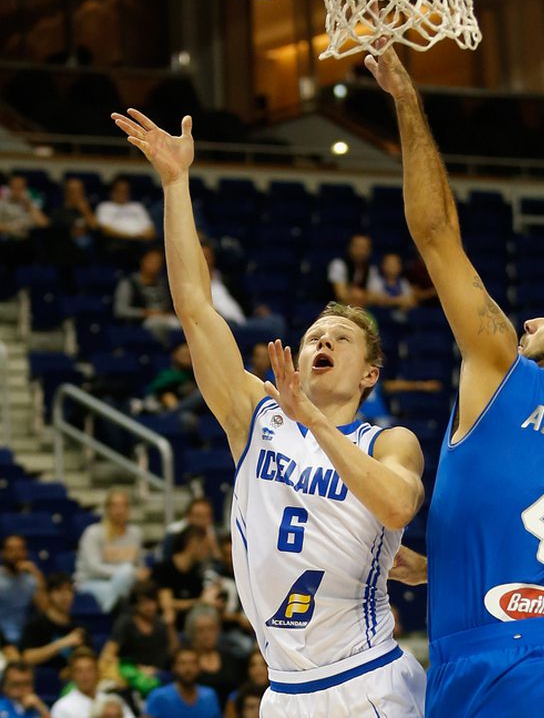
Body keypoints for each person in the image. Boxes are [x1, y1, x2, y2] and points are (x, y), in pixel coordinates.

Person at [111, 106, 427, 716]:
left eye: (340, 337)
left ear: (369, 373)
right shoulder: (257, 416)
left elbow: (396, 505)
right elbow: (196, 308)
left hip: (365, 678)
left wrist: (311, 417)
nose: (322, 342)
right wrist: (176, 186)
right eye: (314, 335)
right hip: (282, 692)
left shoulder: (388, 441)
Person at [365, 40, 544, 717]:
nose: (532, 319)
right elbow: (524, 545)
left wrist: (407, 105)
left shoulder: (504, 373)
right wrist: (441, 566)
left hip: (488, 664)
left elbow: (435, 234)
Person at [75, 488, 147, 613]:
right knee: (126, 575)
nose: (119, 510)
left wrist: (138, 573)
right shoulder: (93, 533)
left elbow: (139, 564)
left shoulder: (135, 533)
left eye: (123, 505)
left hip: (127, 583)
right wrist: (127, 573)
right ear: (107, 509)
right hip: (91, 582)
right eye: (115, 506)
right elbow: (93, 568)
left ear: (128, 509)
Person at [100, 581, 176, 693]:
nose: (149, 606)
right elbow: (107, 655)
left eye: (152, 601)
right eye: (143, 602)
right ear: (135, 604)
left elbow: (174, 653)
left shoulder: (161, 624)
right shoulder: (125, 623)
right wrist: (137, 670)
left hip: (158, 677)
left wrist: (170, 626)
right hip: (131, 678)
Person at [201, 244, 285, 340]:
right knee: (274, 325)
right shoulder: (197, 286)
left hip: (242, 323)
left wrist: (255, 308)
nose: (206, 261)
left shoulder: (225, 278)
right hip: (224, 326)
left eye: (207, 257)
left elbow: (243, 299)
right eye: (202, 257)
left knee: (275, 321)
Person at [20, 572, 91, 671]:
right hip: (42, 682)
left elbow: (89, 661)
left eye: (69, 590)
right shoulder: (35, 625)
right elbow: (27, 658)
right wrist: (63, 643)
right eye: (59, 590)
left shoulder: (81, 628)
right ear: (48, 594)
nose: (65, 596)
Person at [150, 526, 217, 631]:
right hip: (166, 628)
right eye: (205, 546)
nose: (207, 552)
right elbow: (167, 603)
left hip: (192, 628)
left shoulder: (196, 573)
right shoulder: (164, 569)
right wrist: (201, 602)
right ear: (193, 543)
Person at [113, 248, 180, 346]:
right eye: (151, 261)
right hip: (142, 321)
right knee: (158, 324)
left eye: (158, 262)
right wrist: (145, 312)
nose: (155, 265)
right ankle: (166, 350)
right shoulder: (129, 283)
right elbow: (120, 310)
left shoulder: (164, 283)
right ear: (142, 261)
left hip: (165, 317)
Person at [184, 604, 243, 709]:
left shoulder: (230, 657)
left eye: (211, 628)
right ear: (191, 633)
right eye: (201, 630)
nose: (207, 635)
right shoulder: (185, 661)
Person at [50, 647, 133, 718]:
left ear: (97, 672)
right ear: (72, 675)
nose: (85, 676)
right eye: (79, 671)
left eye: (89, 670)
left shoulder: (113, 702)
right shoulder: (62, 707)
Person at [141, 647, 221, 718]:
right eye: (182, 663)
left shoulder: (210, 696)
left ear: (200, 667)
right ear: (173, 667)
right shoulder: (158, 696)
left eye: (193, 663)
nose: (188, 668)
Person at [96, 177, 155, 264]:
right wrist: (131, 236)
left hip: (140, 242)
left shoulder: (137, 206)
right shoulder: (105, 206)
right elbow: (105, 229)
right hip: (116, 241)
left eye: (125, 191)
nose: (122, 193)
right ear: (112, 191)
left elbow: (151, 231)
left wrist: (141, 237)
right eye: (119, 190)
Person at [0, 536, 47, 645]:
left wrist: (37, 575)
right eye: (11, 550)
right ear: (3, 553)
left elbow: (44, 610)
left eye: (20, 549)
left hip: (25, 638)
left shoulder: (31, 580)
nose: (16, 554)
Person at [48, 177, 98, 268]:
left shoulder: (90, 209)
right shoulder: (58, 211)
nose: (77, 194)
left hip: (87, 249)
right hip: (66, 249)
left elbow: (95, 227)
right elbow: (54, 231)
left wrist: (85, 211)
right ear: (66, 193)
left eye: (79, 191)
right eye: (73, 191)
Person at [0, 174, 49, 265]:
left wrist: (29, 206)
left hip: (27, 241)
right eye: (14, 187)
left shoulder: (31, 202)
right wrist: (11, 228)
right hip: (7, 240)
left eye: (20, 188)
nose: (17, 191)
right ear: (9, 188)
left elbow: (44, 224)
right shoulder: (2, 202)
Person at [159, 498, 219, 563]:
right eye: (198, 516)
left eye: (206, 516)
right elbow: (167, 561)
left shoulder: (216, 536)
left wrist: (214, 548)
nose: (202, 520)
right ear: (188, 517)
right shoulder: (174, 534)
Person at [326, 233, 380, 305]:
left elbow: (374, 297)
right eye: (357, 246)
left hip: (360, 309)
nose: (360, 251)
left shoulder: (371, 269)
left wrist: (358, 295)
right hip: (335, 309)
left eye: (364, 247)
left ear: (369, 250)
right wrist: (362, 295)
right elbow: (341, 295)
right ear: (350, 247)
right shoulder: (338, 265)